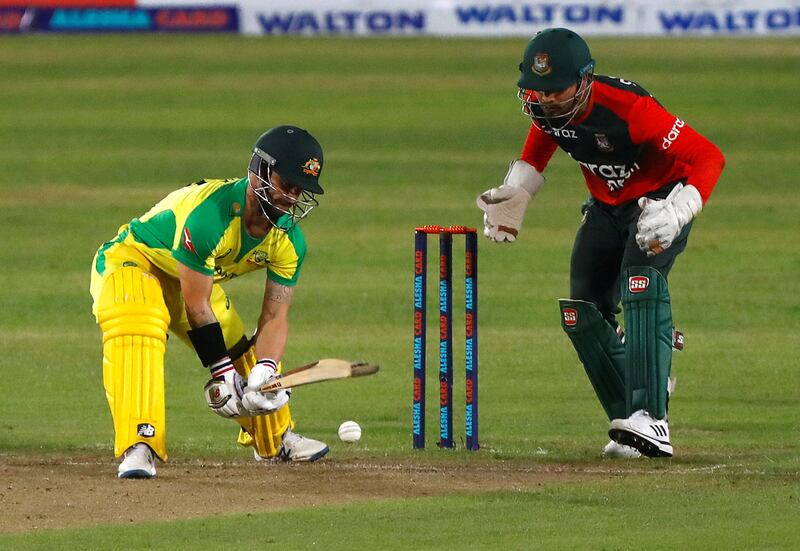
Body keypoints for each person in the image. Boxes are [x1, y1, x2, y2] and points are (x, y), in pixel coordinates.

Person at [477, 28, 725, 458]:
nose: (546, 99)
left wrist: (678, 211)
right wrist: (515, 193)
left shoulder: (631, 109)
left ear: (585, 79)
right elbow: (537, 151)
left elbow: (708, 156)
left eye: (556, 90)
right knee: (582, 313)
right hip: (606, 206)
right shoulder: (546, 111)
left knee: (640, 284)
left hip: (659, 205)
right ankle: (634, 423)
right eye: (537, 90)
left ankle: (654, 418)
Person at [90, 125, 331, 478]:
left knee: (237, 344)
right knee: (138, 320)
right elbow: (197, 307)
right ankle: (140, 445)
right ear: (260, 171)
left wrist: (266, 368)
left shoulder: (289, 242)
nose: (291, 197)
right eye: (286, 183)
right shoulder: (211, 218)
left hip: (191, 277)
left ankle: (276, 439)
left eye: (300, 189)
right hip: (135, 261)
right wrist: (222, 372)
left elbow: (275, 316)